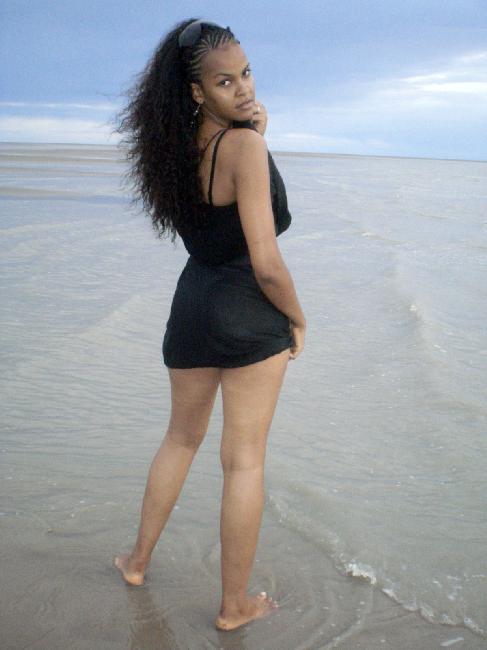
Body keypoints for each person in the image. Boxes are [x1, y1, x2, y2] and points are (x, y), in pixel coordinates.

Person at [112, 17, 306, 632]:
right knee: (243, 462)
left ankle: (136, 562)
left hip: (193, 308)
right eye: (226, 81)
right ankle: (233, 607)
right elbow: (265, 261)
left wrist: (253, 134)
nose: (243, 87)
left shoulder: (175, 147)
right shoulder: (242, 147)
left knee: (180, 439)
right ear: (198, 90)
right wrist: (297, 317)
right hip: (248, 312)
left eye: (246, 73)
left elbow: (215, 228)